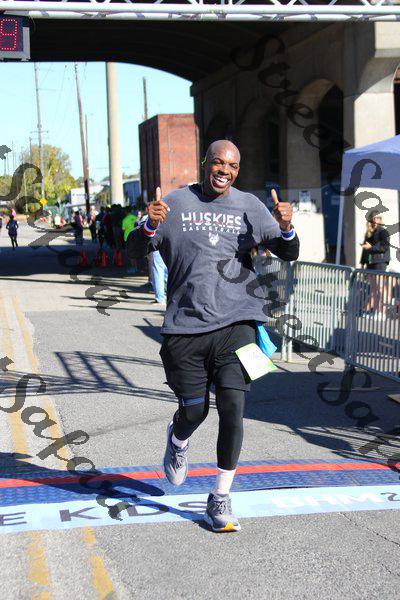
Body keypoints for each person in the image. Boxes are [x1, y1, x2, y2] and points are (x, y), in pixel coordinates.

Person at [127, 140, 299, 532]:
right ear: (205, 163)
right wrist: (149, 224)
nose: (224, 170)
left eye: (232, 165)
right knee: (195, 411)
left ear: (238, 170)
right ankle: (178, 440)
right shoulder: (175, 203)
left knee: (233, 407)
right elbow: (134, 249)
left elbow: (287, 251)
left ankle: (220, 498)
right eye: (218, 162)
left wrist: (286, 228)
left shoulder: (249, 206)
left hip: (238, 323)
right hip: (185, 328)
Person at [360, 211, 391, 316]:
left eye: (377, 218)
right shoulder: (369, 232)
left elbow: (384, 247)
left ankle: (383, 312)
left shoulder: (383, 232)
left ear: (380, 219)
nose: (375, 220)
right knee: (374, 289)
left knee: (380, 288)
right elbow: (365, 250)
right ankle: (376, 311)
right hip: (371, 262)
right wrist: (363, 262)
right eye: (373, 218)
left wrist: (371, 247)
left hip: (380, 262)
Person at [122, 207, 138, 275]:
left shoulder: (125, 220)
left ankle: (133, 268)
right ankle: (135, 267)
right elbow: (138, 225)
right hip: (135, 237)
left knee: (130, 254)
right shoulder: (135, 217)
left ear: (126, 212)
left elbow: (123, 230)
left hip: (128, 237)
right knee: (134, 252)